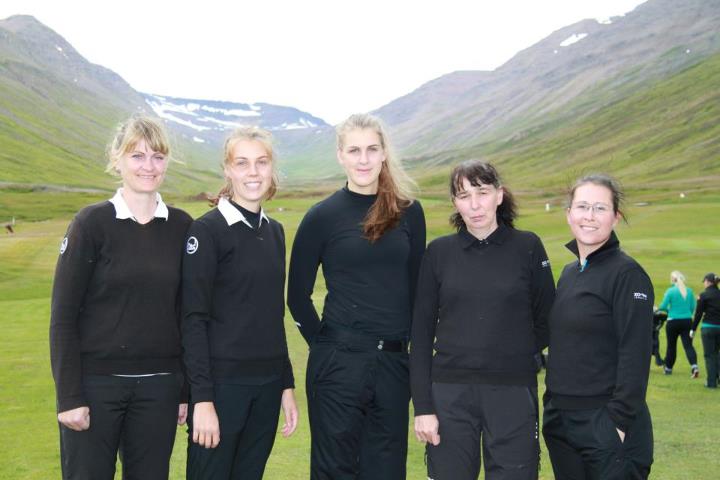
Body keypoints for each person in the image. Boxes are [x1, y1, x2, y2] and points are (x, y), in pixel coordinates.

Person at [50, 115, 193, 479]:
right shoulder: (90, 224)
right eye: (137, 156)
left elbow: (187, 314)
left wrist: (185, 390)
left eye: (158, 156)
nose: (149, 166)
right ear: (117, 160)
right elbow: (63, 316)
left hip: (160, 387)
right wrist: (69, 397)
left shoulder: (182, 226)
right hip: (96, 386)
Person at [287, 113, 426, 480]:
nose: (363, 159)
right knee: (335, 471)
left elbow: (417, 291)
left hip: (394, 365)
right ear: (340, 156)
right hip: (338, 363)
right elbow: (297, 296)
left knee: (386, 470)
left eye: (371, 149)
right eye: (354, 150)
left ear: (383, 153)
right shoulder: (322, 216)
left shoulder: (410, 213)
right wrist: (327, 347)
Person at [410, 160, 555, 480]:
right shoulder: (439, 252)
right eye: (464, 196)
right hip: (450, 395)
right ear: (455, 202)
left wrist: (509, 354)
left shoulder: (528, 247)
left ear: (499, 196)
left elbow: (548, 320)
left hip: (513, 392)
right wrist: (423, 408)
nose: (474, 205)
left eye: (483, 192)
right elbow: (420, 335)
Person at [181, 126, 298, 479]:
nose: (253, 172)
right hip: (222, 388)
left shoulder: (275, 232)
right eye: (242, 162)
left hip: (267, 387)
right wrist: (202, 399)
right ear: (228, 169)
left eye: (261, 162)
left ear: (271, 168)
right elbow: (192, 319)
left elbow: (272, 315)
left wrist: (286, 384)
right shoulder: (207, 231)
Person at [543, 174, 654, 479]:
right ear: (569, 214)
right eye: (582, 206)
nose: (589, 216)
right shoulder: (569, 273)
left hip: (605, 424)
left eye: (600, 208)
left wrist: (617, 422)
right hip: (561, 421)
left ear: (615, 217)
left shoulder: (628, 274)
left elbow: (636, 353)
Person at [658, 271, 699, 377]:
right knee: (688, 345)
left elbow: (663, 306)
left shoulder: (670, 291)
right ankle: (694, 366)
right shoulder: (689, 291)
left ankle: (668, 368)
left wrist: (669, 310)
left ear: (672, 280)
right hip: (687, 321)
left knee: (671, 346)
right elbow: (693, 307)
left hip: (673, 321)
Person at [691, 273, 720, 388]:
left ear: (708, 282)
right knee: (717, 354)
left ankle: (711, 382)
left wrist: (693, 329)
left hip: (708, 328)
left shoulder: (704, 295)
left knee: (710, 355)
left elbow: (698, 314)